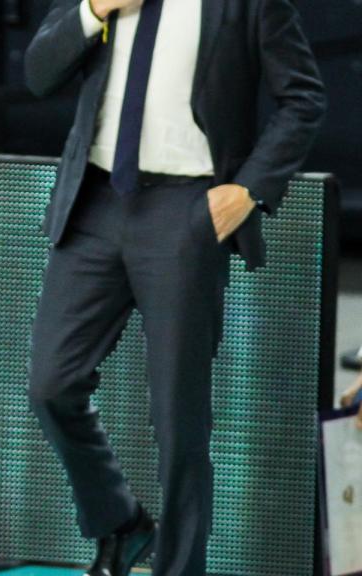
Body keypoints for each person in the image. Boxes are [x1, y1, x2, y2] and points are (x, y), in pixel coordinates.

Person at [23, 0, 326, 574]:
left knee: (177, 419)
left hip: (187, 207)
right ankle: (120, 520)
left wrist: (248, 190)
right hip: (95, 200)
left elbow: (303, 98)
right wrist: (94, 8)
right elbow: (40, 72)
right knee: (50, 384)